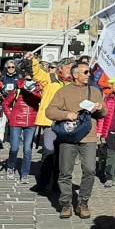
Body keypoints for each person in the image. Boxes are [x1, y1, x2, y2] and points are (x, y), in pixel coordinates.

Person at [45, 62, 107, 220]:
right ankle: (65, 203)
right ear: (75, 74)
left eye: (89, 72)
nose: (89, 75)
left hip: (89, 136)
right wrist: (67, 115)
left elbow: (104, 113)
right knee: (65, 172)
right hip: (69, 137)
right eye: (85, 72)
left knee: (90, 170)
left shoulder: (94, 91)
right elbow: (50, 111)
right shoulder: (64, 91)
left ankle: (83, 202)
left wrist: (100, 109)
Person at [31, 55, 72, 194]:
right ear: (61, 69)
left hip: (67, 123)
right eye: (70, 68)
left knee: (62, 156)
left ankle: (56, 184)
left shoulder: (74, 84)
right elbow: (37, 74)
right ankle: (42, 184)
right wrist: (34, 60)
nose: (72, 71)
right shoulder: (51, 78)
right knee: (49, 153)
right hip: (51, 122)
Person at [3, 69, 41, 183]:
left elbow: (41, 100)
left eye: (31, 78)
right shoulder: (18, 90)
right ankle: (10, 167)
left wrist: (33, 90)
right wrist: (11, 116)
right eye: (27, 78)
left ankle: (25, 174)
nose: (29, 80)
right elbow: (6, 103)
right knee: (14, 147)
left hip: (31, 122)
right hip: (17, 121)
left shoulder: (39, 90)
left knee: (27, 150)